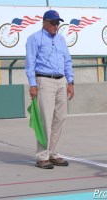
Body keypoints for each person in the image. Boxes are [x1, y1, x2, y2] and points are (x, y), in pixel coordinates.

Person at [25, 10, 74, 169]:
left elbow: (67, 60)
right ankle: (42, 156)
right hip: (44, 81)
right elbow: (30, 63)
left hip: (61, 82)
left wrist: (70, 81)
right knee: (45, 120)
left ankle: (53, 153)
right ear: (44, 22)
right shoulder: (34, 39)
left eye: (58, 23)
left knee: (60, 118)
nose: (56, 25)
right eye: (53, 22)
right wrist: (33, 84)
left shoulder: (61, 39)